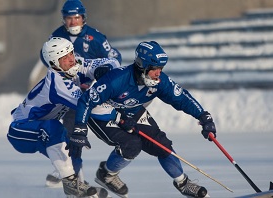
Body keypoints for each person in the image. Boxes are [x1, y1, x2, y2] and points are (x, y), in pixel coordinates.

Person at [67, 41, 217, 198]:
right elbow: (87, 101)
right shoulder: (116, 79)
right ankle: (107, 174)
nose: (158, 73)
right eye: (154, 69)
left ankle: (183, 183)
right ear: (141, 66)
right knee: (132, 145)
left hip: (133, 111)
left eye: (161, 68)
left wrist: (203, 116)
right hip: (102, 114)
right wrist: (79, 130)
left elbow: (181, 98)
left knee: (162, 145)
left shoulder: (160, 81)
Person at [7, 37, 120, 198]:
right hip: (20, 130)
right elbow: (88, 104)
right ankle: (71, 184)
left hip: (41, 127)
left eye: (71, 53)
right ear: (54, 64)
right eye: (64, 58)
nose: (71, 59)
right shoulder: (56, 82)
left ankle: (79, 190)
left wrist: (106, 69)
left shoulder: (75, 63)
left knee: (72, 146)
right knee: (54, 128)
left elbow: (112, 61)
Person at [44, 0, 123, 188]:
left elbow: (114, 60)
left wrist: (97, 81)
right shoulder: (56, 35)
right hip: (71, 95)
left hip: (95, 94)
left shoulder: (95, 37)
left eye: (76, 18)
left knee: (118, 133)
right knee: (72, 134)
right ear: (64, 19)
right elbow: (46, 57)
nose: (73, 22)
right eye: (69, 18)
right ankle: (73, 176)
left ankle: (110, 171)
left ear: (83, 18)